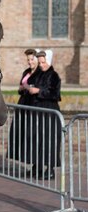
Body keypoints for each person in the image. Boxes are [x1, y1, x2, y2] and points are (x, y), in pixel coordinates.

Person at [26, 50, 62, 180]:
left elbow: (55, 94)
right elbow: (29, 79)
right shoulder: (38, 74)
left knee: (49, 140)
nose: (41, 65)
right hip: (38, 112)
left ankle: (50, 169)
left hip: (49, 112)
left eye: (43, 62)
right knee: (37, 139)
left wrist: (39, 91)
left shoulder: (54, 76)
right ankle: (38, 166)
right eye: (39, 62)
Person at [8, 49, 42, 169]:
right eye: (28, 59)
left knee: (35, 136)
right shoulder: (26, 72)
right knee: (25, 135)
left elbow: (40, 89)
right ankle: (33, 165)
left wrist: (28, 87)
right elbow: (20, 89)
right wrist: (23, 88)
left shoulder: (40, 73)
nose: (30, 62)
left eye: (32, 59)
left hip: (34, 106)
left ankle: (39, 165)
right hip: (23, 106)